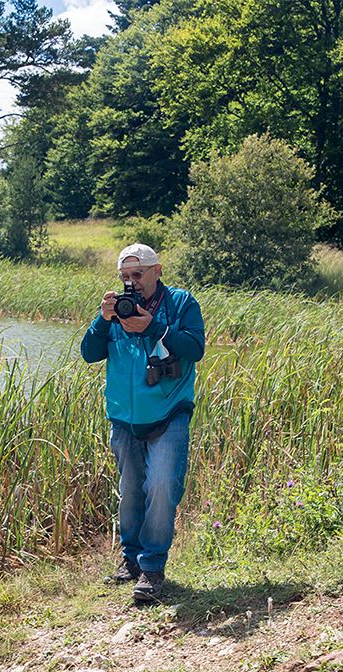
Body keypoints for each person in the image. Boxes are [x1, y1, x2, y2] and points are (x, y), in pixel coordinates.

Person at [80, 243, 205, 602]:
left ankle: (152, 568)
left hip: (170, 412)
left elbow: (195, 349)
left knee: (162, 486)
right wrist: (102, 320)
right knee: (132, 491)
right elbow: (89, 354)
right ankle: (131, 561)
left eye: (137, 274)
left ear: (157, 271)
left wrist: (155, 328)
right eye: (124, 276)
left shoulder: (181, 303)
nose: (131, 282)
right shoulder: (116, 310)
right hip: (124, 419)